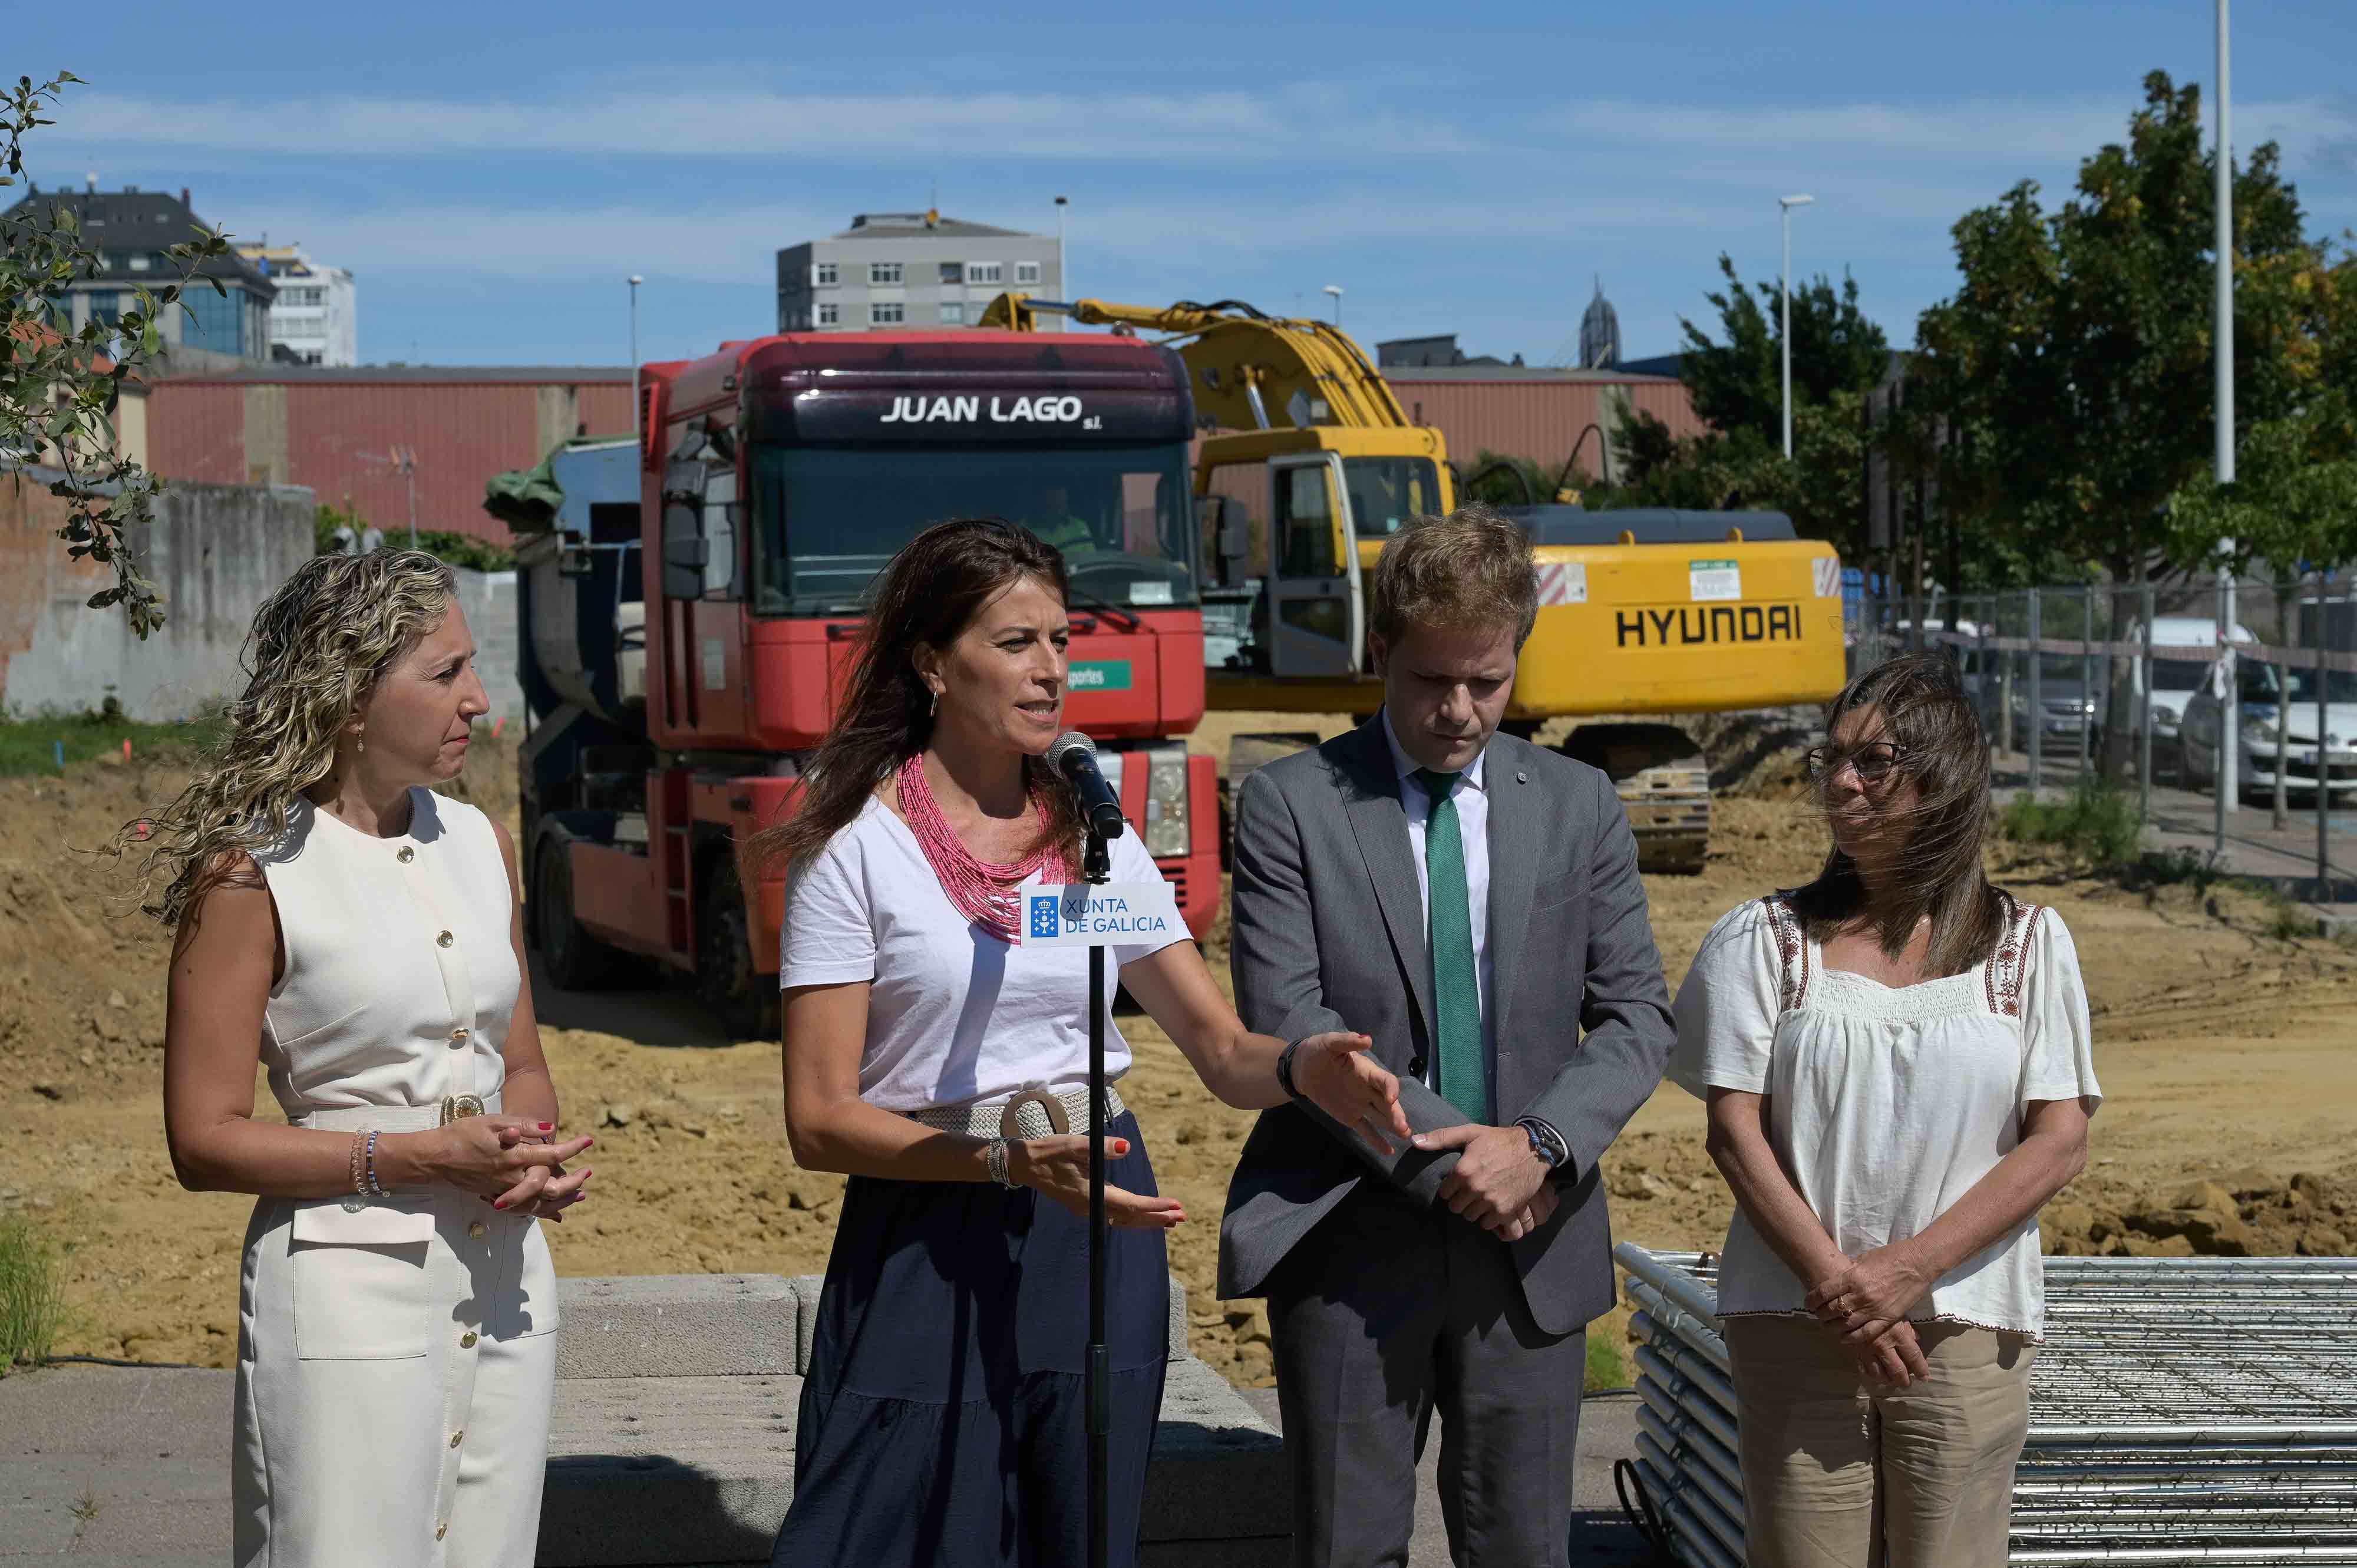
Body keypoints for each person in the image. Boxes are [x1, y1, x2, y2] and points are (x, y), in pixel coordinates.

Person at [757, 517, 1408, 1568]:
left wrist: (1301, 1065)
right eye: (1016, 642)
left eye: (1061, 639)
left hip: (1098, 1216)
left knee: (1081, 1526)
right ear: (932, 662)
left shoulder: (1099, 845)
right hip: (930, 1217)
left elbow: (1220, 1048)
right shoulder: (856, 856)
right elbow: (818, 1120)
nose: (1051, 668)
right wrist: (1004, 1161)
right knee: (893, 1527)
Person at [1220, 503, 1677, 1568]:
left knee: (1522, 1547)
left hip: (1534, 1231)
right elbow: (1293, 1017)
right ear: (1381, 651)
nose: (1462, 711)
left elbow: (1636, 1013)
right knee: (1347, 1546)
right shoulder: (1294, 802)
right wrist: (1471, 1161)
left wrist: (1542, 1148)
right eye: (1431, 681)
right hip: (1349, 1232)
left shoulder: (1579, 803)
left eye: (1489, 681)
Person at [130, 549, 590, 1568]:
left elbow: (520, 1061)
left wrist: (530, 1149)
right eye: (444, 674)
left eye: (472, 667)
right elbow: (201, 1139)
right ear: (345, 695)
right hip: (347, 1301)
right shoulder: (252, 873)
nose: (479, 698)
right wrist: (422, 1157)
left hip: (508, 1283)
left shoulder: (482, 841)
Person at [1669, 652, 2102, 1568]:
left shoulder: (2029, 946)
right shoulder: (1766, 939)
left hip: (1966, 1324)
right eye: (1833, 759)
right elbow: (1733, 1130)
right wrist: (1842, 1288)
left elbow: (2059, 1140)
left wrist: (1908, 1271)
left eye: (1875, 763)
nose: (1842, 782)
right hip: (1797, 1318)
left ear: (1944, 780)